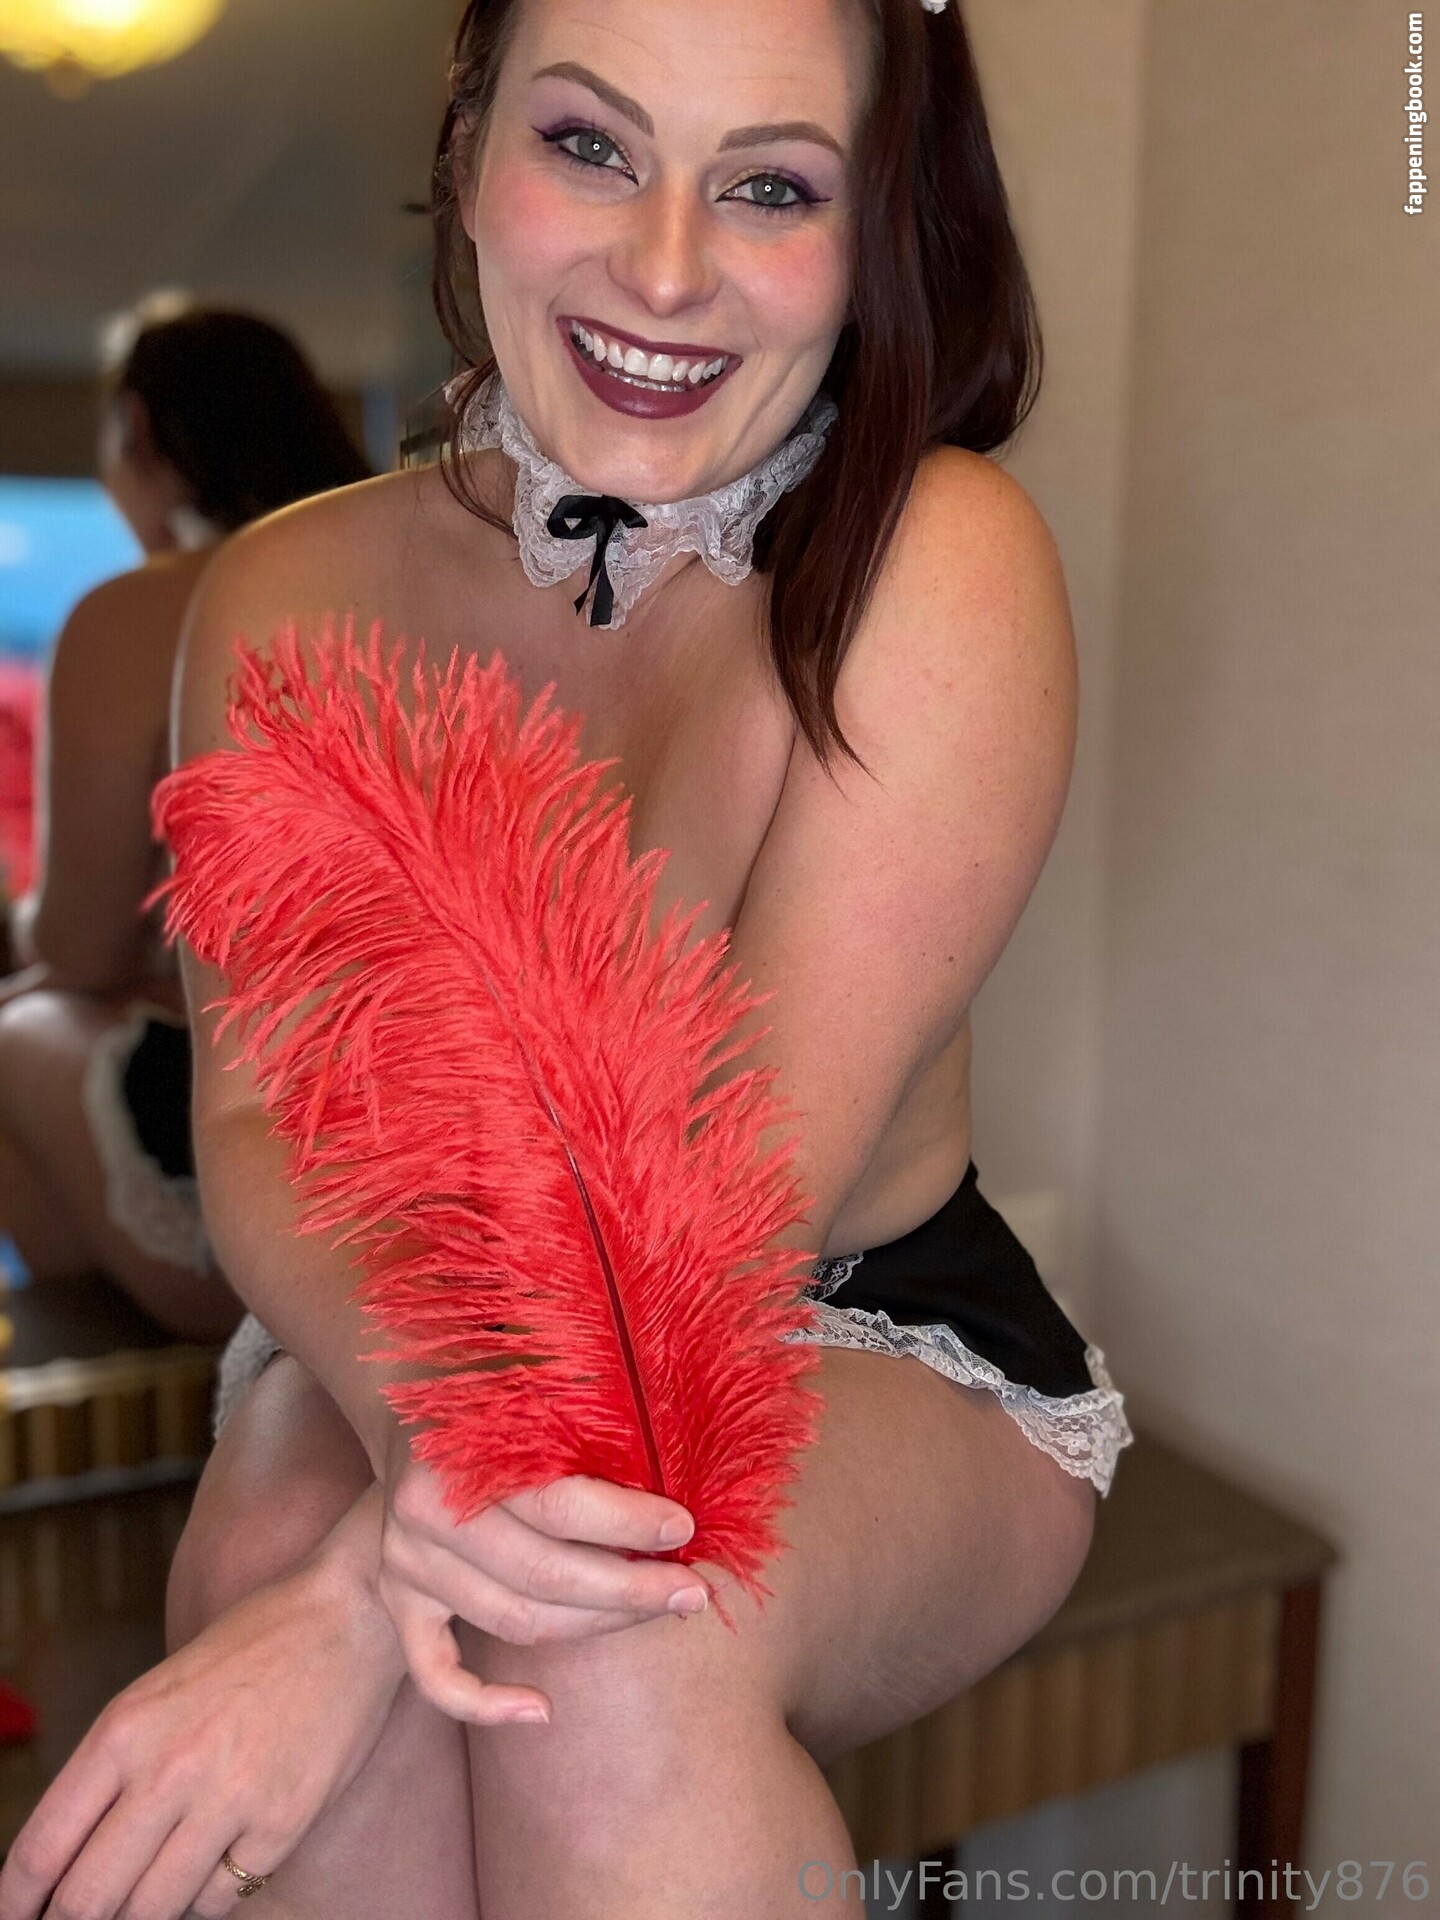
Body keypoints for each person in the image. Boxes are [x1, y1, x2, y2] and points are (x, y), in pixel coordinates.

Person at [0, 2, 1134, 1915]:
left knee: (605, 1631)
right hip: (411, 1299)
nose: (666, 268)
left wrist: (358, 1607)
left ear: (874, 229)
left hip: (828, 1313)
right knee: (270, 1560)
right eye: (592, 145)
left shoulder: (933, 562)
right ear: (470, 154)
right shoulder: (276, 591)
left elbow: (707, 1229)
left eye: (771, 186)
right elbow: (262, 1122)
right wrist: (406, 1470)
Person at [0, 299, 371, 1342]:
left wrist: (27, 922)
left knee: (18, 1023)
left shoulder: (140, 614)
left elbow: (79, 944)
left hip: (276, 1186)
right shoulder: (407, 580)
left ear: (137, 431)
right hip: (474, 1154)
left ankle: (127, 1399)